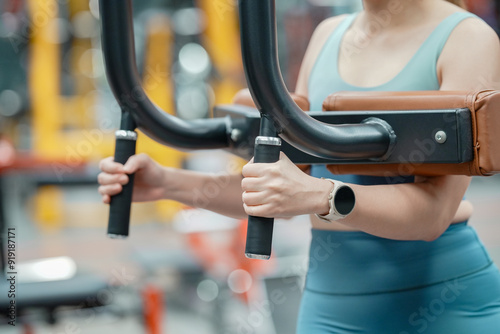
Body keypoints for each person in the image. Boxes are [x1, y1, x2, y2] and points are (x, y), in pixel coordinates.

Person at [98, 0, 500, 332]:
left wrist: (320, 196)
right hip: (332, 307)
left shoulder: (467, 39)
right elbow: (282, 185)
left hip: (447, 305)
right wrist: (167, 183)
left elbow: (432, 215)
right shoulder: (329, 36)